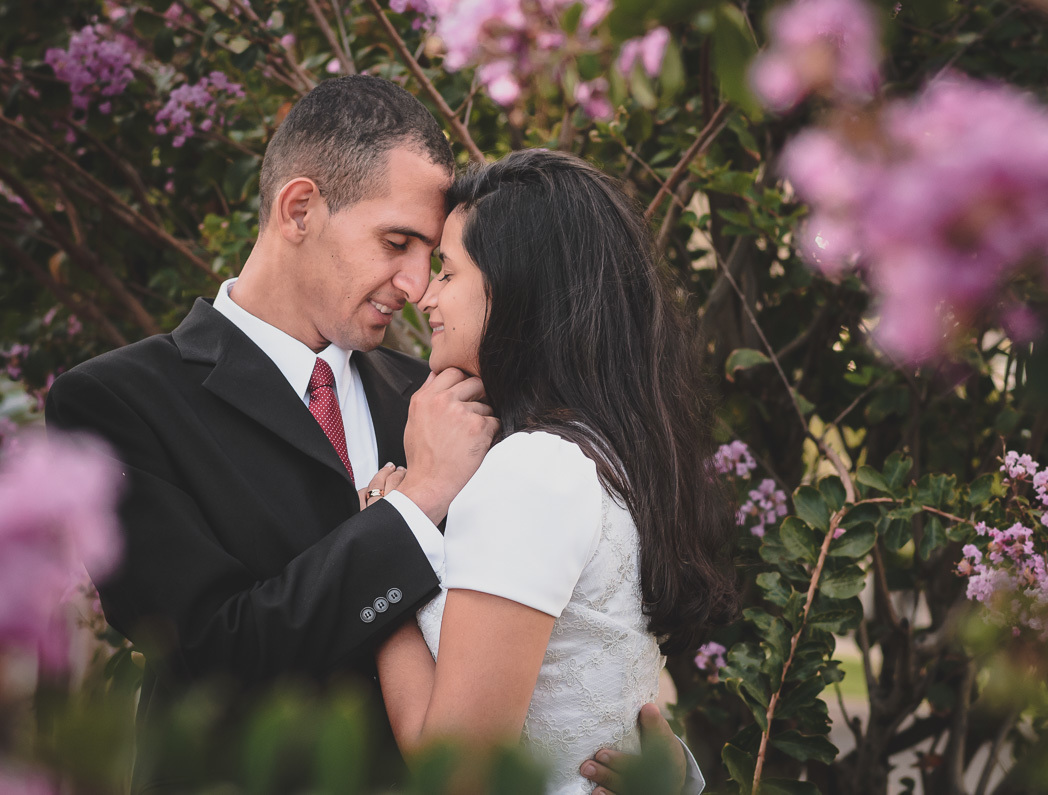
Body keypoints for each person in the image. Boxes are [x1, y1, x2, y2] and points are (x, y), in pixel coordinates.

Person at [46, 75, 707, 793]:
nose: (419, 284)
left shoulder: (445, 392)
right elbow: (206, 654)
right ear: (299, 208)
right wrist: (413, 504)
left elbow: (552, 627)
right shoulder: (113, 402)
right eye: (398, 241)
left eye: (434, 255)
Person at [373, 149, 738, 794]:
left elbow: (455, 777)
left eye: (448, 273)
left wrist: (383, 558)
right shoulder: (604, 450)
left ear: (518, 293)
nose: (425, 297)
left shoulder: (533, 470)